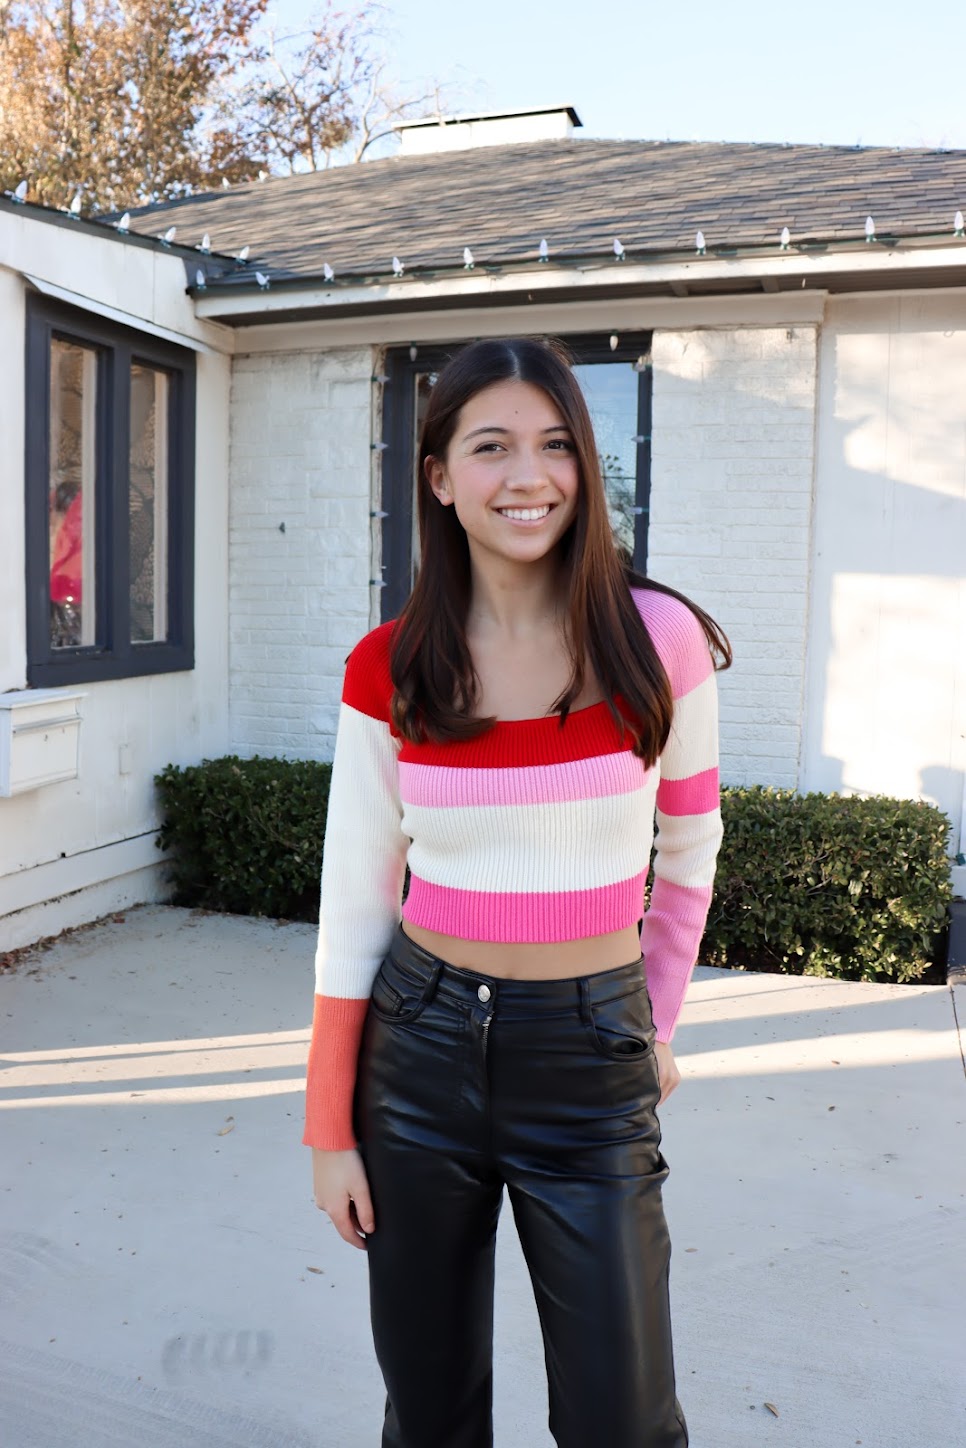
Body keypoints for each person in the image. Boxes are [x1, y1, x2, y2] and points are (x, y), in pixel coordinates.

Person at [303, 335, 732, 1448]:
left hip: (589, 1060)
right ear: (440, 477)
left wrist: (659, 1023)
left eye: (554, 446)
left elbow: (688, 856)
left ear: (585, 470)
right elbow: (354, 904)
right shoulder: (389, 667)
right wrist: (328, 1126)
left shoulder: (658, 641)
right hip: (417, 1055)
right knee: (430, 1413)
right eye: (490, 447)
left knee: (623, 1418)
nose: (527, 476)